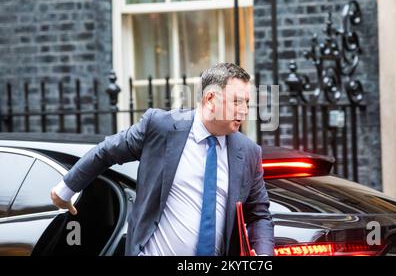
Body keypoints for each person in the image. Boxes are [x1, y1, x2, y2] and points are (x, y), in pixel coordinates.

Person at [50, 63, 274, 256]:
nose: (244, 111)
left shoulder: (248, 151)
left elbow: (259, 214)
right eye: (237, 102)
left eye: (247, 102)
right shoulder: (161, 127)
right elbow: (107, 151)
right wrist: (65, 189)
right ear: (210, 99)